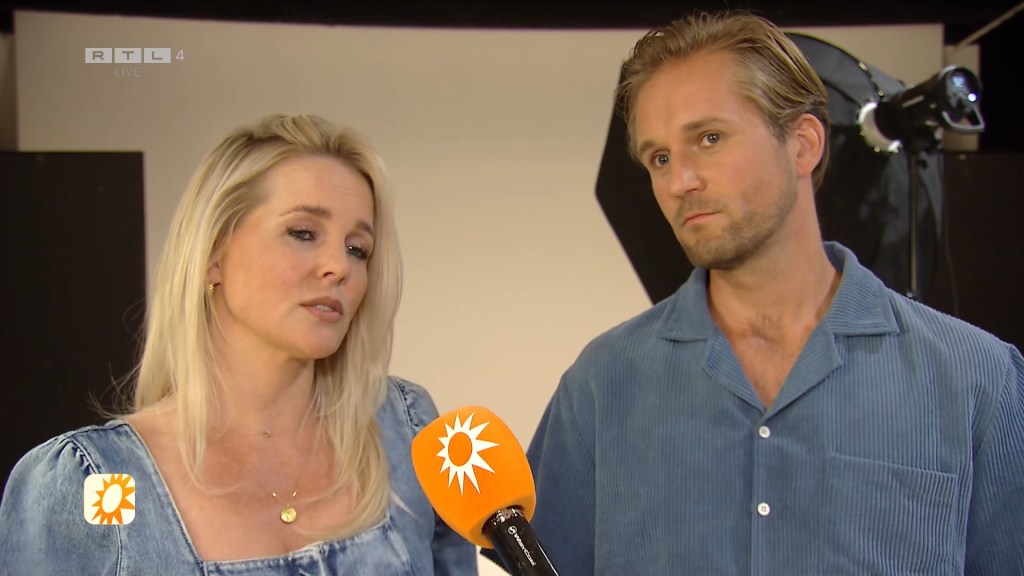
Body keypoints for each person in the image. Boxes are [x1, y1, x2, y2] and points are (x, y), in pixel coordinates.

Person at [503, 11, 1024, 575]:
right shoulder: (602, 384)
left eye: (708, 138)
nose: (680, 182)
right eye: (660, 158)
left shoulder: (978, 380)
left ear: (803, 144)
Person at [0, 114, 477, 575]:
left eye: (358, 249)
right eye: (303, 233)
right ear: (213, 254)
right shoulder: (103, 482)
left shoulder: (405, 430)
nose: (339, 266)